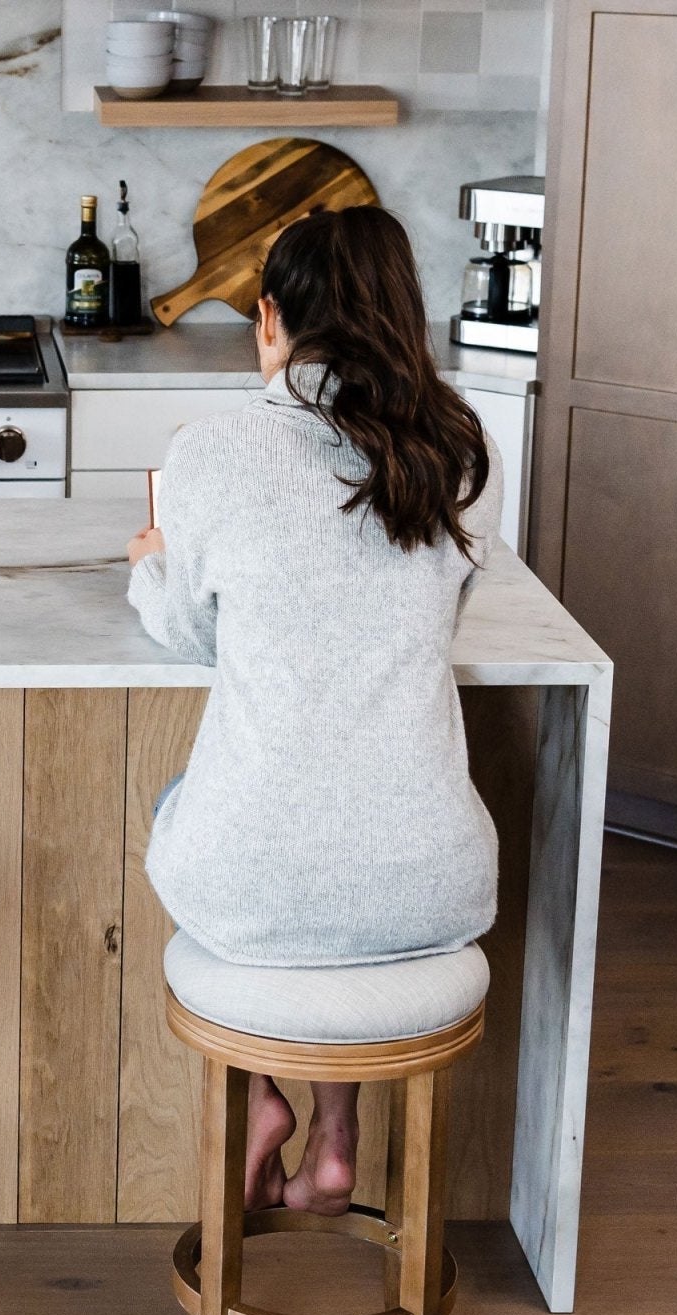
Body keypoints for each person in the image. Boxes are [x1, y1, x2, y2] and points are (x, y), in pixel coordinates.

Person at [127, 206, 501, 1215]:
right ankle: (337, 1137)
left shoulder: (213, 450)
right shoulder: (455, 451)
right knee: (341, 832)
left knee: (204, 807)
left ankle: (260, 1101)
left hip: (259, 889)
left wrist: (151, 564)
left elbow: (195, 632)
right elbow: (438, 613)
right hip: (428, 880)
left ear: (267, 319)